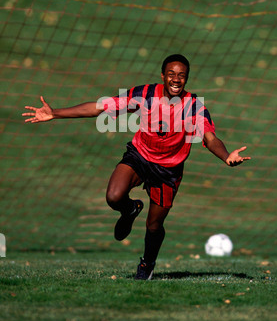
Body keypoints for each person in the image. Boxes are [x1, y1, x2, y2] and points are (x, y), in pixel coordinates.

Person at [22, 54, 251, 280]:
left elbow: (210, 138)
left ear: (187, 79)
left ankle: (147, 263)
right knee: (113, 196)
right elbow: (99, 107)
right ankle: (130, 209)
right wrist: (55, 113)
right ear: (163, 75)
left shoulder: (193, 106)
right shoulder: (144, 94)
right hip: (140, 156)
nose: (176, 79)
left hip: (168, 170)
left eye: (182, 75)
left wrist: (226, 156)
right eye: (171, 74)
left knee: (154, 225)